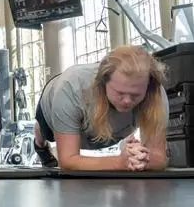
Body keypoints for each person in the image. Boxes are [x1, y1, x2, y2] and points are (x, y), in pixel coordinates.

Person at [33, 45, 169, 171]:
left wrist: (140, 157)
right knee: (44, 133)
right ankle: (39, 141)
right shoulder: (70, 89)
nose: (127, 101)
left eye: (135, 95)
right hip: (51, 112)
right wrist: (120, 162)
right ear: (104, 83)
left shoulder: (156, 95)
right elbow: (67, 161)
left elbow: (159, 157)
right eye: (120, 93)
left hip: (110, 130)